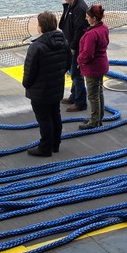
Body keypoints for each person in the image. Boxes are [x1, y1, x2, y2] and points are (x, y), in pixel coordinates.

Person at [23, 12, 72, 157]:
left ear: (41, 27)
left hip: (40, 91)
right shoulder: (64, 42)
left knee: (44, 119)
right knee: (55, 115)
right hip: (56, 87)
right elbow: (68, 63)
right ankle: (55, 144)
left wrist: (27, 85)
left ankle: (45, 147)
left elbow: (29, 71)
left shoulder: (36, 47)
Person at [77, 5, 109, 130]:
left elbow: (88, 54)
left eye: (88, 16)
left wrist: (79, 60)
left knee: (92, 95)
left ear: (94, 18)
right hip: (101, 64)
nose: (86, 18)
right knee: (99, 91)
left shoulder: (92, 34)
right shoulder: (104, 28)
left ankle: (94, 121)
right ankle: (98, 117)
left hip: (93, 68)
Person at [59, 0, 88, 111]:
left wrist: (73, 47)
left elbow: (79, 30)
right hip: (70, 43)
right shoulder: (72, 6)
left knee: (77, 74)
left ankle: (80, 102)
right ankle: (74, 96)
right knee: (73, 72)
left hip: (76, 47)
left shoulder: (79, 8)